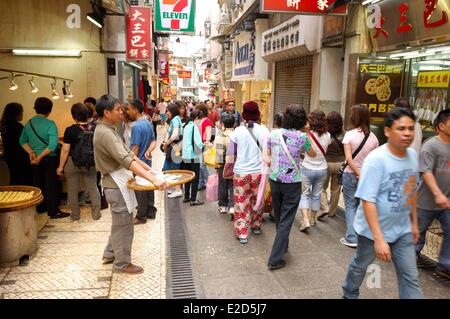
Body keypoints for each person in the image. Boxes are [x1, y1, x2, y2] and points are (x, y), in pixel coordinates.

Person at [342, 108, 423, 299]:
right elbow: (368, 200)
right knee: (361, 265)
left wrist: (414, 223)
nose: (407, 133)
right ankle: (349, 292)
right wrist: (379, 238)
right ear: (387, 131)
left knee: (410, 276)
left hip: (402, 230)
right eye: (401, 128)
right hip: (372, 231)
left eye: (411, 129)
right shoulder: (376, 159)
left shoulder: (412, 156)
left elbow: (411, 191)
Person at [93, 94, 167, 274]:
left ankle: (110, 253)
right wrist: (153, 180)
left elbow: (132, 155)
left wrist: (150, 172)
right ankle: (122, 263)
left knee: (119, 224)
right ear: (106, 112)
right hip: (115, 185)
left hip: (119, 182)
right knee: (124, 226)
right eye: (118, 109)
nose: (122, 112)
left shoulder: (110, 129)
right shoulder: (105, 133)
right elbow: (126, 160)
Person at [265, 105, 316, 270]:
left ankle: (283, 244)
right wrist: (307, 133)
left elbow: (267, 153)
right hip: (292, 182)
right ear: (302, 120)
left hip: (274, 179)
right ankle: (275, 258)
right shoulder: (302, 137)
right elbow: (313, 153)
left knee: (280, 216)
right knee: (286, 220)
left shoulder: (273, 133)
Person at [228, 101, 270, 244]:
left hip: (241, 173)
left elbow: (231, 153)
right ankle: (256, 225)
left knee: (241, 202)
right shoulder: (265, 131)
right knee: (257, 199)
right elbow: (269, 152)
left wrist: (229, 167)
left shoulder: (238, 131)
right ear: (257, 114)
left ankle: (242, 232)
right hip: (259, 173)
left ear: (244, 115)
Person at [415, 109, 450, 280]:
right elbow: (425, 171)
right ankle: (411, 256)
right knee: (418, 232)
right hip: (426, 200)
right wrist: (437, 194)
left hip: (447, 202)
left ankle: (445, 265)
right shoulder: (430, 145)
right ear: (441, 126)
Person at [20, 97, 68, 218]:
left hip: (34, 159)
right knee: (51, 185)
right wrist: (40, 157)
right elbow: (52, 145)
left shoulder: (29, 123)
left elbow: (22, 141)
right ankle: (53, 211)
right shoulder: (50, 124)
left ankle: (40, 208)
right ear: (49, 111)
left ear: (35, 109)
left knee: (38, 184)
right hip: (49, 159)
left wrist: (31, 153)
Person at [340, 104, 379, 248]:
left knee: (350, 205)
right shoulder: (374, 137)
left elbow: (349, 159)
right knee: (361, 206)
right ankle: (361, 235)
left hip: (351, 174)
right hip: (367, 176)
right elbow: (374, 160)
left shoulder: (349, 135)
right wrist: (364, 174)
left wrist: (358, 173)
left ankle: (351, 237)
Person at [57, 103, 101, 222]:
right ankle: (96, 214)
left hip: (73, 163)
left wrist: (60, 167)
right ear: (87, 115)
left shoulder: (70, 130)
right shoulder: (95, 128)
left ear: (74, 116)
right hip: (91, 163)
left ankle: (75, 216)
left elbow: (65, 150)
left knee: (72, 189)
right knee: (93, 188)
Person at [125, 99, 158, 225]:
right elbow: (153, 141)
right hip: (147, 161)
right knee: (149, 185)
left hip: (139, 162)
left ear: (135, 109)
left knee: (140, 189)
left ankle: (141, 215)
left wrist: (132, 163)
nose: (127, 111)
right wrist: (149, 151)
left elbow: (135, 148)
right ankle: (151, 211)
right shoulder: (147, 123)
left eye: (128, 109)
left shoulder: (137, 127)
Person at [299, 110, 331, 232]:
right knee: (316, 195)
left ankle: (305, 220)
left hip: (307, 167)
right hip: (322, 169)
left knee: (305, 194)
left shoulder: (307, 134)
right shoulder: (328, 136)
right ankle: (313, 219)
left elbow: (305, 150)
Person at [0, 102, 32, 185]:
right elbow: (26, 141)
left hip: (9, 157)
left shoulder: (3, 125)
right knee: (23, 180)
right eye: (22, 112)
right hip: (20, 157)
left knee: (14, 179)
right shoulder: (17, 126)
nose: (22, 114)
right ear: (16, 113)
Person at [320, 111, 345, 218]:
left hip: (326, 163)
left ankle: (324, 207)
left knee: (322, 188)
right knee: (336, 189)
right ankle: (332, 212)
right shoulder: (344, 135)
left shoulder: (325, 134)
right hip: (340, 163)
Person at [181, 110, 204, 206]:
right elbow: (198, 143)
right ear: (197, 118)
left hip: (185, 154)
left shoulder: (186, 126)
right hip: (194, 155)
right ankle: (193, 199)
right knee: (195, 177)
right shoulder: (194, 127)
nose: (201, 121)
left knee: (187, 176)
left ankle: (186, 196)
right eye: (200, 119)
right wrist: (204, 145)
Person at [215, 114, 235, 214]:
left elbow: (219, 152)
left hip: (223, 163)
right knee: (233, 184)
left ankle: (223, 205)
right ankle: (232, 206)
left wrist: (217, 164)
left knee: (222, 184)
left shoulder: (221, 136)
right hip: (235, 163)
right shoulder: (237, 135)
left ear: (223, 124)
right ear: (234, 124)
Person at [162, 103, 183, 198]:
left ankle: (178, 190)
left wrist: (166, 144)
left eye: (168, 111)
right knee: (171, 168)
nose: (166, 113)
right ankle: (175, 188)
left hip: (175, 148)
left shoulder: (175, 120)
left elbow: (174, 135)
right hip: (176, 147)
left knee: (174, 169)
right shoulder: (176, 119)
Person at [196, 103, 214, 191]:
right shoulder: (196, 120)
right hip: (197, 144)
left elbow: (209, 134)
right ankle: (201, 182)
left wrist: (206, 142)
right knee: (199, 165)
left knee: (202, 165)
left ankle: (210, 183)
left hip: (203, 145)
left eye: (198, 110)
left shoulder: (207, 121)